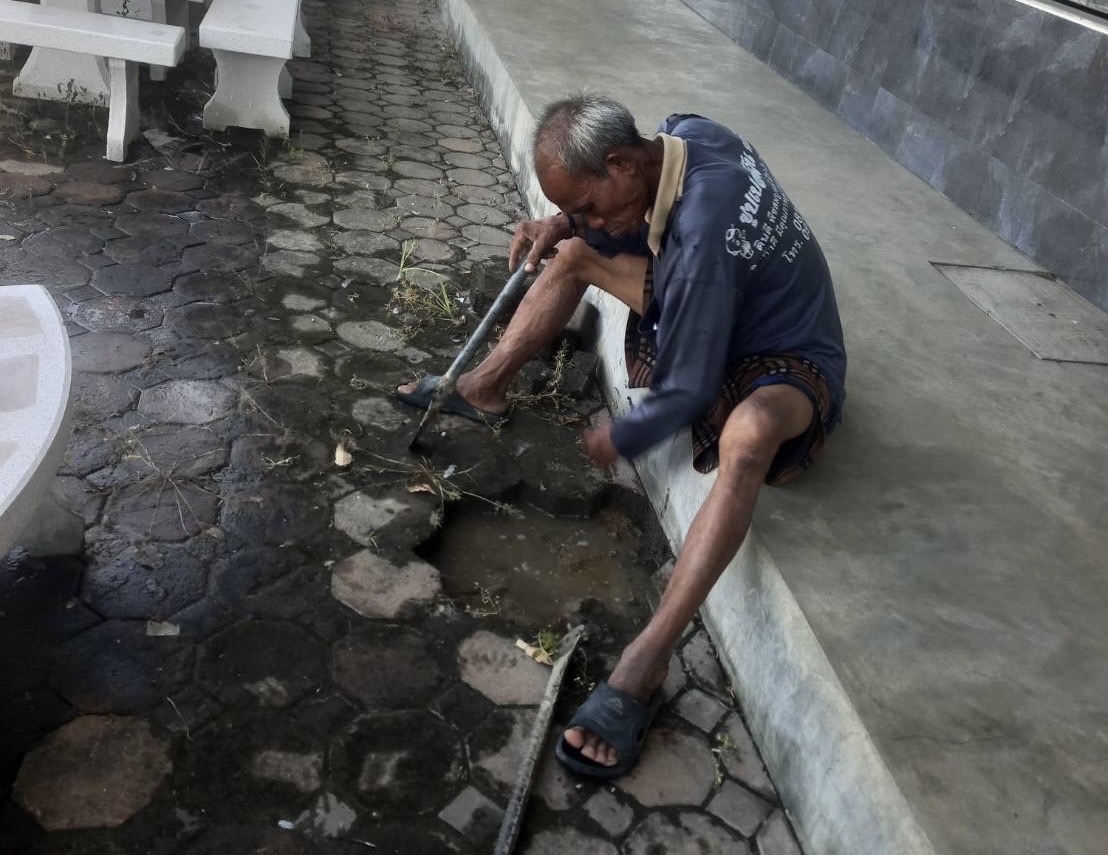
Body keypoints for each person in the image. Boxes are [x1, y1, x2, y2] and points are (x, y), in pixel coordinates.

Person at [398, 92, 846, 779]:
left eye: (591, 202)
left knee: (749, 436)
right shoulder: (683, 136)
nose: (594, 219)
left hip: (785, 352)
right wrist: (561, 225)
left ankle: (647, 660)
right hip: (719, 297)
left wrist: (623, 435)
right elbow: (621, 228)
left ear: (622, 164)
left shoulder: (701, 237)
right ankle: (481, 388)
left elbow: (692, 388)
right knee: (576, 252)